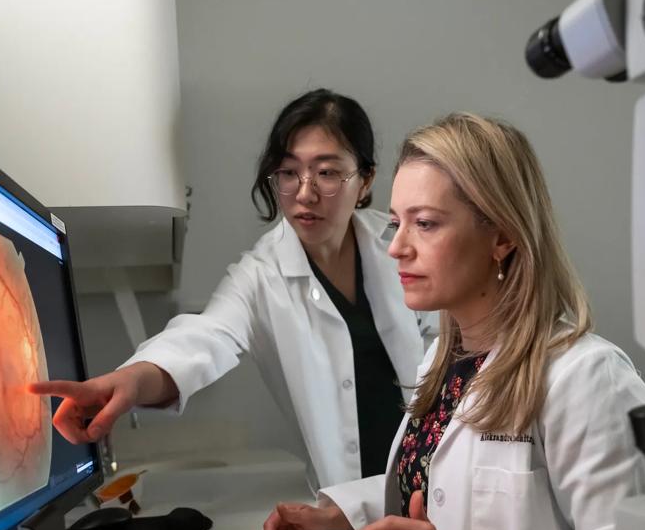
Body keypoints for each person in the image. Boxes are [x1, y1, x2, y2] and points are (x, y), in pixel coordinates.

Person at [259, 113, 645, 530]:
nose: (397, 248)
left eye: (425, 224)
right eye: (397, 223)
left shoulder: (587, 378)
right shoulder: (445, 365)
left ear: (503, 236)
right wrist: (335, 514)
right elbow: (444, 481)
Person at [30, 89, 433, 488]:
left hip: (436, 481)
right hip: (349, 502)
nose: (304, 193)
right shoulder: (261, 273)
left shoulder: (401, 244)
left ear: (365, 180)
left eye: (327, 172)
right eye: (289, 172)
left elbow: (453, 355)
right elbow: (205, 337)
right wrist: (132, 382)